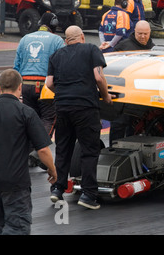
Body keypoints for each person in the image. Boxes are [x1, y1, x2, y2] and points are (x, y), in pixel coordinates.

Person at [47, 25, 112, 210]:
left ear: (67, 40)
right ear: (82, 37)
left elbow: (49, 83)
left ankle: (57, 189)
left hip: (62, 108)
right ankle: (88, 194)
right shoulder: (91, 49)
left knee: (63, 149)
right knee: (89, 150)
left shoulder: (56, 56)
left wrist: (63, 93)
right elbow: (99, 78)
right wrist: (105, 96)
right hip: (85, 108)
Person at [0, 69, 57, 235]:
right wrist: (53, 170)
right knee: (17, 228)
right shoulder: (26, 113)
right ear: (20, 87)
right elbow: (42, 149)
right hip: (15, 183)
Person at [13, 12, 64, 168]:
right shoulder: (57, 40)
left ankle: (27, 152)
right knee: (49, 118)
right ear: (54, 26)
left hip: (25, 85)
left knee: (29, 120)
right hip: (45, 86)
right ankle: (38, 150)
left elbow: (16, 66)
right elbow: (62, 64)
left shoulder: (25, 38)